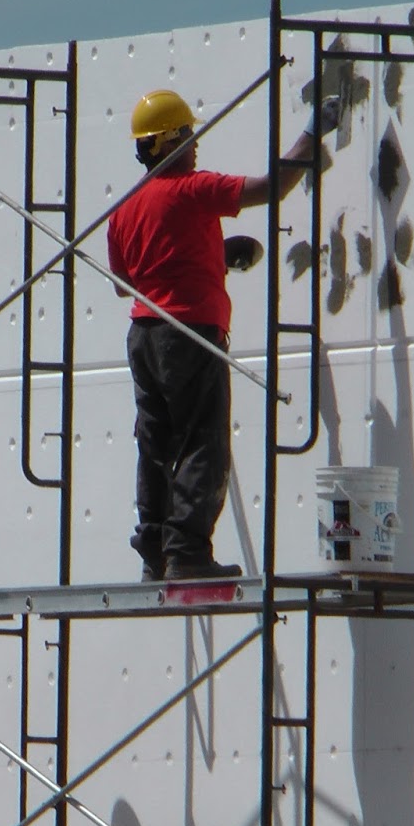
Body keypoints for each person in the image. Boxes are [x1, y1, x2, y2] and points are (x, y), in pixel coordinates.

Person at [107, 89, 340, 581]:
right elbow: (272, 187)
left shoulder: (125, 209)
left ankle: (156, 552)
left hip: (144, 335)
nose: (196, 145)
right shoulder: (192, 189)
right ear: (171, 140)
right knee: (202, 441)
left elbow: (126, 280)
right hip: (188, 334)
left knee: (156, 442)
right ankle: (188, 555)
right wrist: (312, 132)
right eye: (189, 135)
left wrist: (210, 259)